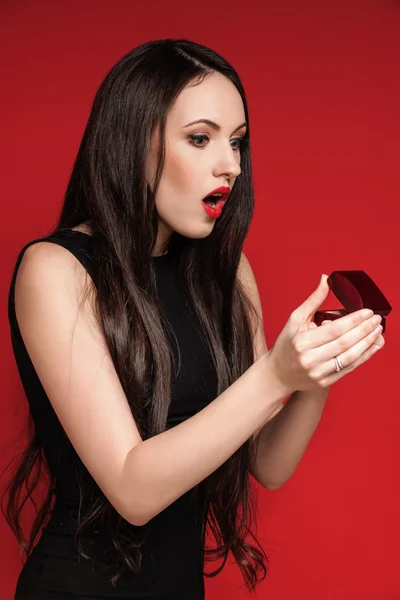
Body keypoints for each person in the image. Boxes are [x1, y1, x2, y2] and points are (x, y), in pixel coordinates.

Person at [3, 38, 385, 600]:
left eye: (236, 143)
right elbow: (132, 489)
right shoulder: (55, 270)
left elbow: (268, 464)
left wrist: (316, 371)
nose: (230, 165)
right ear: (134, 142)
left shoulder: (226, 273)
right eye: (200, 138)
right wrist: (276, 375)